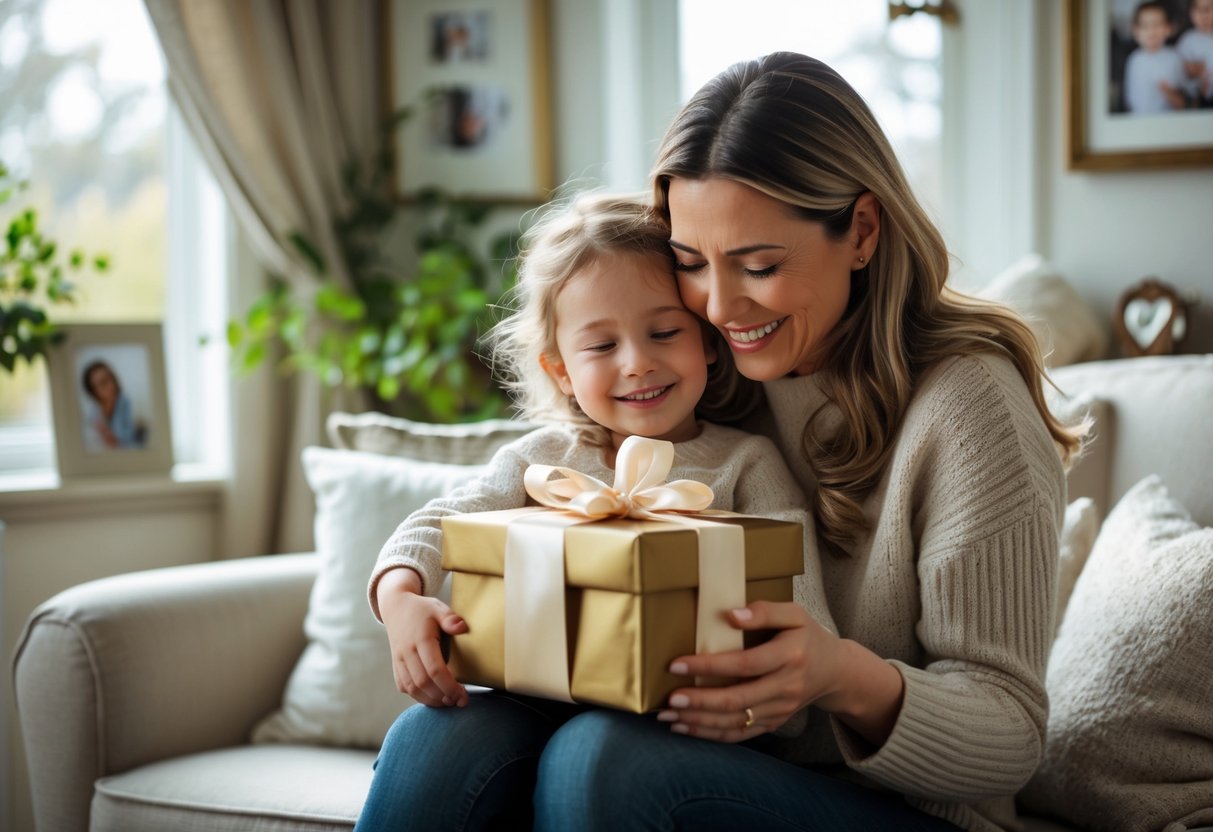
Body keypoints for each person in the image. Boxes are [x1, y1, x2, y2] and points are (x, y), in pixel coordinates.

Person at [527, 52, 1084, 831]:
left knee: (604, 762)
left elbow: (1009, 738)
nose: (718, 306)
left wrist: (838, 676)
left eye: (757, 265)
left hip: (912, 814)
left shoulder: (969, 407)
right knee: (450, 732)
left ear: (860, 229)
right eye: (690, 263)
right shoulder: (701, 375)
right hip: (735, 762)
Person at [356, 193, 833, 830]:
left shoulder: (747, 464)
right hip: (534, 704)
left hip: (686, 728)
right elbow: (441, 521)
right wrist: (399, 596)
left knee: (595, 754)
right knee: (430, 734)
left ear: (709, 343)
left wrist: (765, 693)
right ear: (560, 371)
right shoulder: (544, 458)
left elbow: (804, 623)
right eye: (601, 346)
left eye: (665, 332)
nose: (637, 361)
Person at [1123, 1, 1188, 113]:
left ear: (1168, 28)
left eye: (1157, 25)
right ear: (1135, 31)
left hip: (1167, 122)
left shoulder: (1174, 58)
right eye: (1145, 26)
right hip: (1139, 122)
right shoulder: (1133, 60)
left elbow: (1183, 101)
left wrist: (1170, 93)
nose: (1151, 31)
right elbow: (1128, 99)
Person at [80, 359, 145, 451]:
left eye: (109, 378)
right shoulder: (93, 413)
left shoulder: (126, 402)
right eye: (103, 383)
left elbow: (126, 441)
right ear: (94, 391)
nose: (110, 385)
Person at [1178, 0, 1213, 105]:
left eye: (1207, 9)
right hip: (1199, 99)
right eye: (1198, 9)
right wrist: (1191, 71)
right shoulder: (1187, 40)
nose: (1203, 14)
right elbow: (1180, 74)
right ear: (1190, 13)